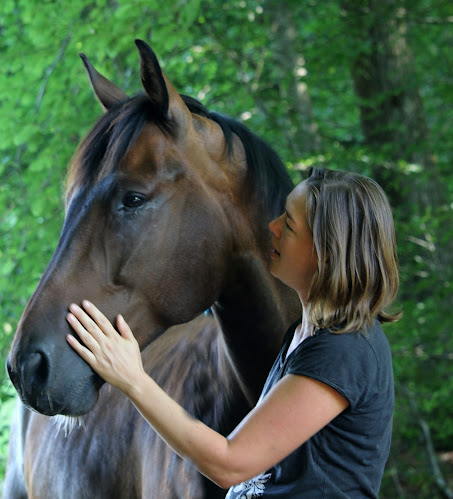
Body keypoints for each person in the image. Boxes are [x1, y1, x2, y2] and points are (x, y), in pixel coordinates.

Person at [66, 167, 400, 498]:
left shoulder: (344, 349)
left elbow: (230, 463)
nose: (273, 227)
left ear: (326, 253)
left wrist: (132, 379)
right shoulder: (305, 336)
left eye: (289, 224)